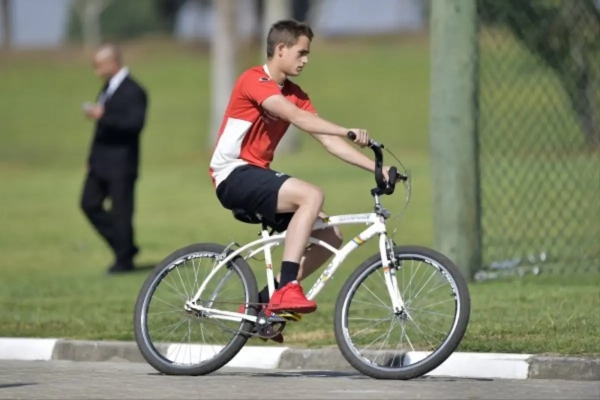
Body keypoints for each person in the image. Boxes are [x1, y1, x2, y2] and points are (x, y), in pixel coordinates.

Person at [209, 19, 393, 339]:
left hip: (256, 175)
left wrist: (376, 169)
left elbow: (327, 140)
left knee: (330, 235)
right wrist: (346, 130)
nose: (306, 60)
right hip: (232, 174)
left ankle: (262, 305)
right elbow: (296, 117)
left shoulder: (296, 94)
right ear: (280, 49)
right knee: (311, 194)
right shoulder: (254, 79)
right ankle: (287, 290)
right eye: (301, 52)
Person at [80, 44, 148, 275]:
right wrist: (90, 158)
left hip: (122, 163)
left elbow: (134, 125)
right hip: (100, 162)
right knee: (89, 203)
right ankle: (125, 246)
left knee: (121, 212)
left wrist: (104, 115)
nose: (96, 71)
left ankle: (123, 260)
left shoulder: (134, 90)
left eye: (98, 66)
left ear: (112, 62)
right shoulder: (108, 88)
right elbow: (100, 129)